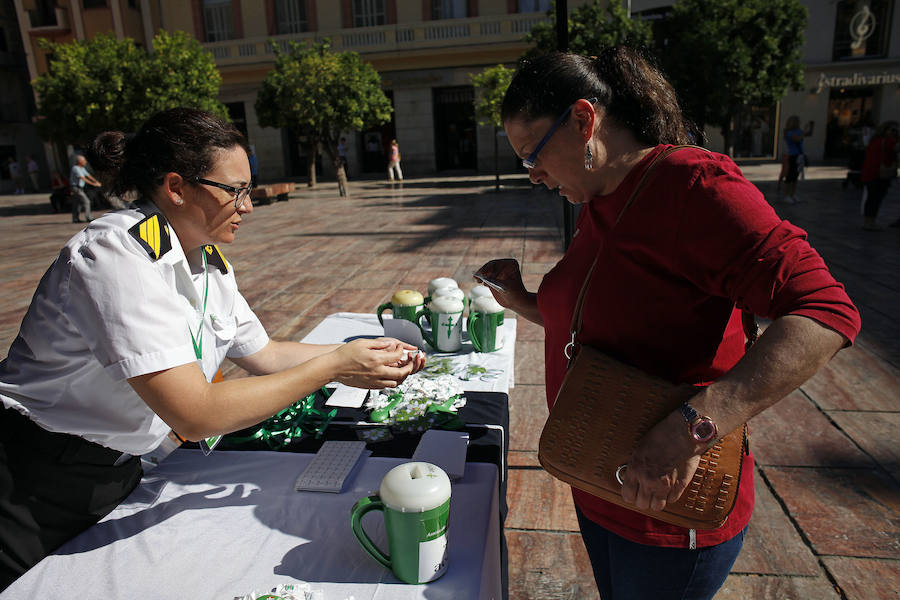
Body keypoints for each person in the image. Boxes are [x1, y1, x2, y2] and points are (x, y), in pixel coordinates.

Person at [476, 48, 860, 600]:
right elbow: (601, 326)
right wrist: (522, 300)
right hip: (602, 475)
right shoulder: (601, 199)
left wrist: (694, 427)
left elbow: (827, 311)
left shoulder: (694, 188)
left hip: (670, 508)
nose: (532, 175)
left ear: (585, 120)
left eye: (533, 154)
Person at [0, 107, 425, 590]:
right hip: (30, 478)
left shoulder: (206, 260)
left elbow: (263, 354)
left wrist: (363, 351)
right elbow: (195, 414)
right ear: (176, 187)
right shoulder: (116, 256)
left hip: (112, 471)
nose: (248, 205)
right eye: (234, 190)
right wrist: (334, 365)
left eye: (249, 189)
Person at [859, 120, 899, 230]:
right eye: (893, 130)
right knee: (875, 198)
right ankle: (870, 222)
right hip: (879, 174)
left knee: (871, 198)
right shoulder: (888, 141)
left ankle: (868, 221)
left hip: (869, 172)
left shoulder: (875, 139)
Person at [782, 115, 812, 204]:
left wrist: (810, 127)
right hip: (793, 156)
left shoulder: (798, 131)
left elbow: (808, 134)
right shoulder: (789, 132)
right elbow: (797, 139)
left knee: (795, 176)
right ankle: (786, 195)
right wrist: (803, 131)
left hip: (799, 155)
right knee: (790, 176)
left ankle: (792, 194)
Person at [69, 154, 102, 222]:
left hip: (79, 188)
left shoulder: (82, 168)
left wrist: (97, 181)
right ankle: (88, 217)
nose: (85, 162)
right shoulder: (76, 168)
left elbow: (88, 176)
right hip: (76, 188)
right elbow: (83, 178)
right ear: (79, 161)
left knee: (77, 203)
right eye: (84, 160)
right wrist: (94, 184)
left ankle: (75, 219)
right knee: (86, 201)